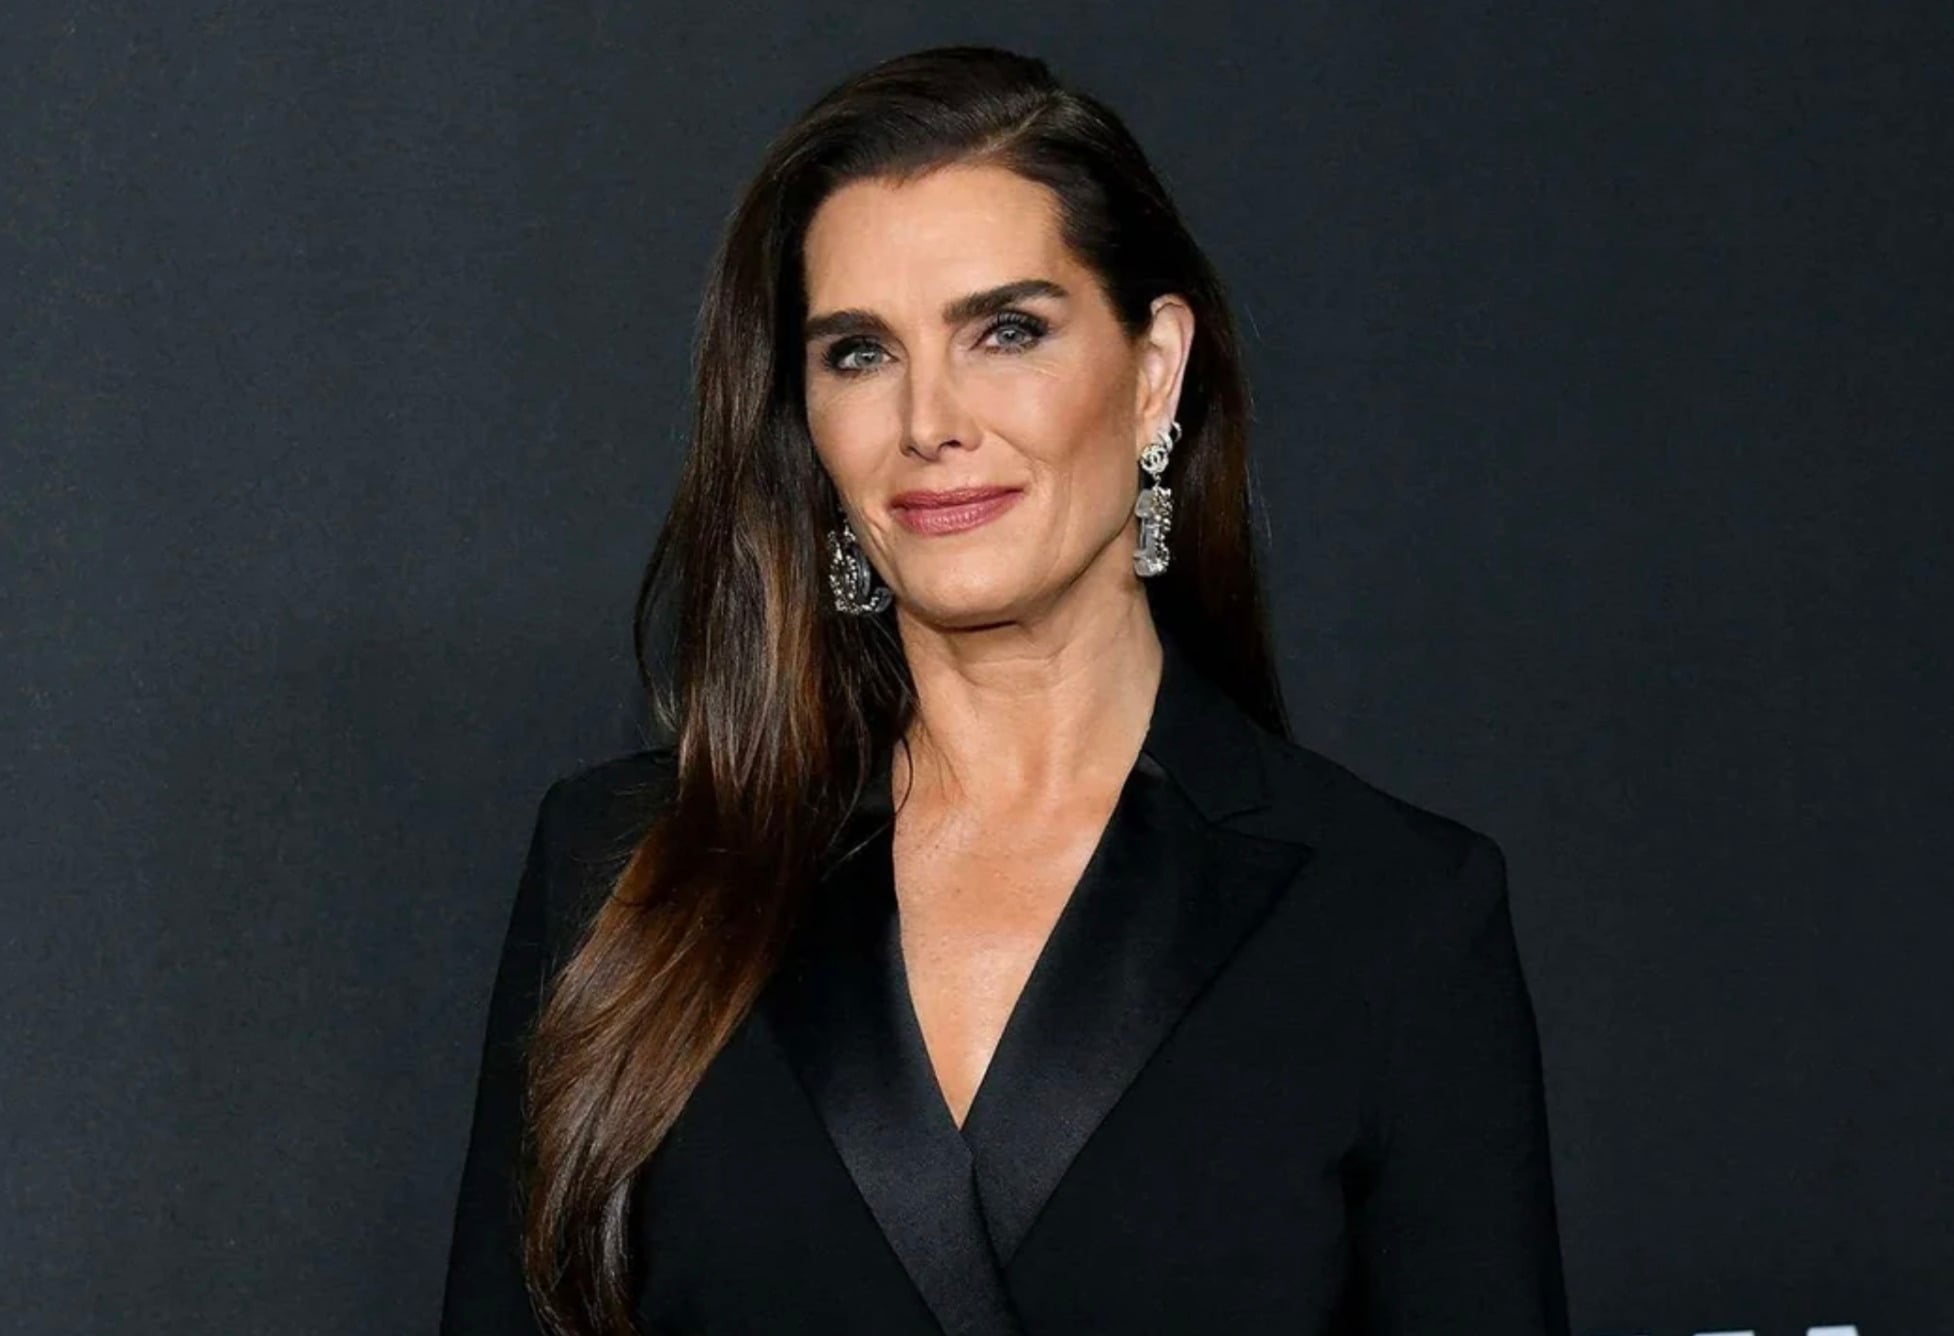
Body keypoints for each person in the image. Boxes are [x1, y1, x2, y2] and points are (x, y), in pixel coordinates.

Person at [440, 43, 1569, 1336]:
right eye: (858, 353)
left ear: (1153, 374)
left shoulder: (1394, 916)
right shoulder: (625, 870)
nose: (930, 419)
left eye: (1007, 331)